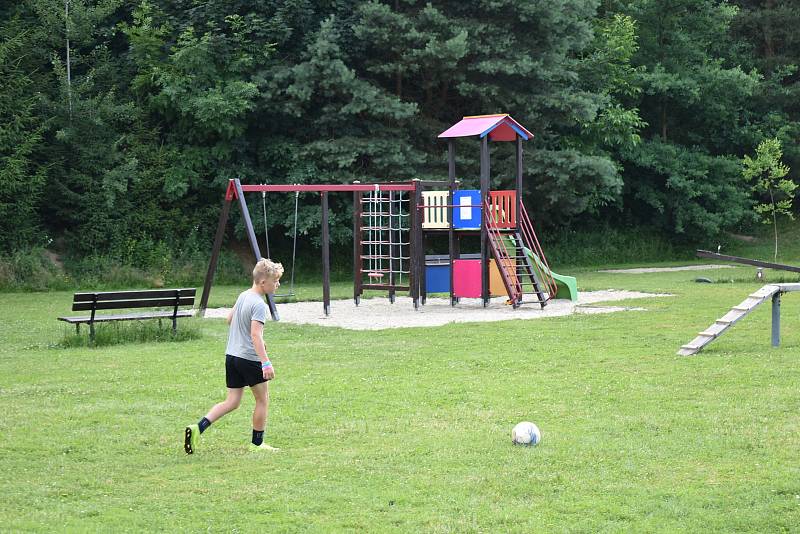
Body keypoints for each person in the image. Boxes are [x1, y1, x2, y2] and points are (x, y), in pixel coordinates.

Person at [184, 258, 284, 454]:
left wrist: (250, 335)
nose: (278, 284)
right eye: (276, 280)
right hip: (249, 359)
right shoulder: (260, 305)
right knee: (262, 400)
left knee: (232, 401)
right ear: (263, 282)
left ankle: (198, 428)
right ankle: (257, 444)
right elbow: (255, 334)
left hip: (232, 356)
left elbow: (229, 319)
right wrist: (266, 363)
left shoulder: (243, 296)